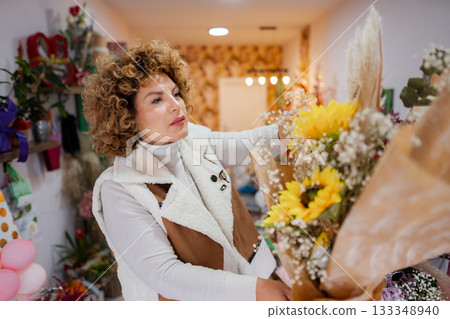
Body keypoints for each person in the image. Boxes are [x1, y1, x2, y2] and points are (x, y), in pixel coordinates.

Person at [83, 40, 291, 301]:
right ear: (128, 118)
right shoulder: (119, 188)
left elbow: (248, 144)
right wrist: (255, 290)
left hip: (252, 281)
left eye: (176, 93)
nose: (175, 105)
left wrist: (298, 131)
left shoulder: (193, 141)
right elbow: (165, 274)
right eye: (157, 99)